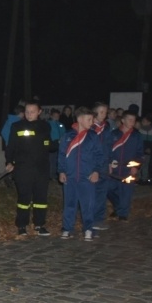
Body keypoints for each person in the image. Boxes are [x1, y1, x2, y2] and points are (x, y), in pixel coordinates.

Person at [5, 101, 52, 236]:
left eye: (32, 112)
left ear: (39, 112)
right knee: (24, 198)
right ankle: (22, 225)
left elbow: (48, 144)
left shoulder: (45, 126)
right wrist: (9, 161)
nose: (29, 114)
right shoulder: (17, 126)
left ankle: (39, 224)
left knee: (40, 198)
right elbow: (11, 146)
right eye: (27, 112)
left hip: (41, 168)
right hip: (23, 168)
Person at [58, 107, 104, 240]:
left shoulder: (93, 136)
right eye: (89, 119)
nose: (92, 122)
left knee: (88, 204)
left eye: (92, 119)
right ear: (80, 119)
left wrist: (96, 171)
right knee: (69, 203)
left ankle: (88, 228)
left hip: (87, 177)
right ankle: (67, 228)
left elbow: (99, 155)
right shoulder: (68, 136)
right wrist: (61, 171)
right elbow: (62, 155)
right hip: (70, 176)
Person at [107, 110, 144, 222]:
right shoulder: (114, 134)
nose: (132, 122)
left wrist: (135, 167)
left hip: (128, 168)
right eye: (130, 119)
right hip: (114, 168)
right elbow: (108, 150)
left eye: (134, 120)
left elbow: (140, 153)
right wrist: (109, 163)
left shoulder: (137, 136)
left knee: (126, 191)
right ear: (123, 120)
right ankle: (118, 206)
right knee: (108, 188)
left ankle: (123, 214)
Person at [91, 102, 113, 231]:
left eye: (105, 112)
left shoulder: (106, 128)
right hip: (92, 165)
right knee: (92, 192)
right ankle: (90, 218)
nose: (104, 115)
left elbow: (109, 146)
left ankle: (99, 219)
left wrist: (109, 162)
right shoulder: (90, 128)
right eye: (101, 112)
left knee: (102, 193)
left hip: (104, 164)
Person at [47, 108, 66, 180]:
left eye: (57, 115)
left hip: (61, 145)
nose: (56, 117)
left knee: (58, 160)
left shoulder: (60, 124)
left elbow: (64, 133)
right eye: (55, 115)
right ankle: (50, 175)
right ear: (51, 116)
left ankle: (56, 174)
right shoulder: (48, 124)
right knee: (51, 160)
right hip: (52, 145)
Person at [140, 114, 152, 183]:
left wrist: (150, 149)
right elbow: (140, 142)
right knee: (140, 164)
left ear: (149, 122)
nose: (142, 122)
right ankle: (138, 178)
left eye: (144, 121)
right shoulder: (140, 130)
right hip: (141, 151)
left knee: (146, 165)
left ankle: (144, 178)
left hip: (149, 152)